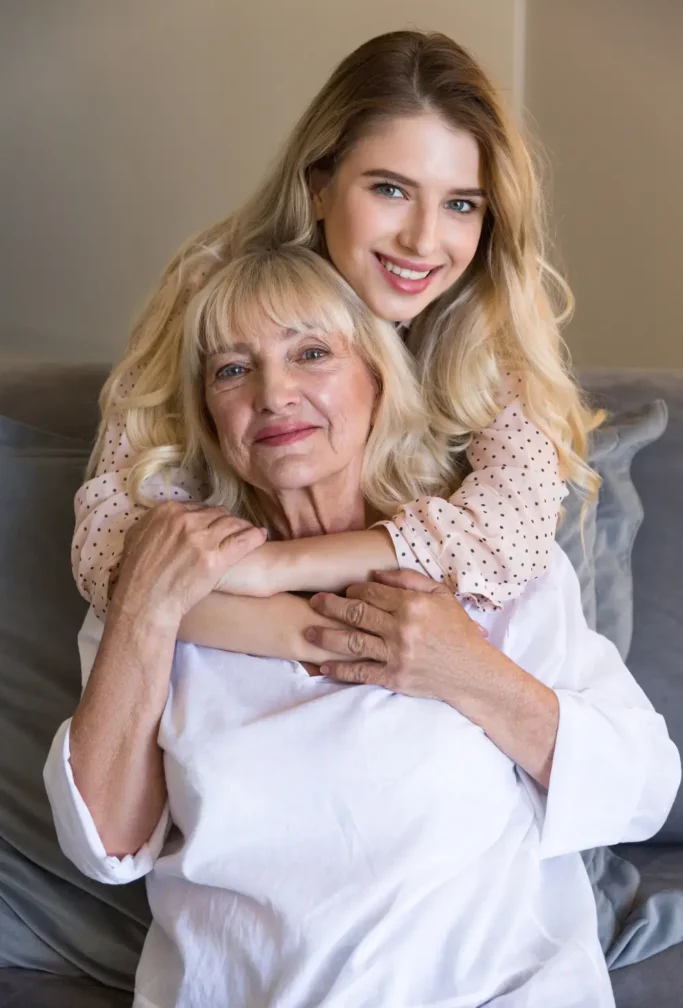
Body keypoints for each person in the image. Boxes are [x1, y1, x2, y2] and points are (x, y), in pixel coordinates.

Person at [45, 247, 680, 1008]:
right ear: (208, 411)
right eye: (231, 370)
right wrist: (146, 613)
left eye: (311, 353)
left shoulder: (484, 562)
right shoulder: (165, 582)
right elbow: (106, 849)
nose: (274, 393)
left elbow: (642, 793)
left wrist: (463, 670)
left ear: (379, 378)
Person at [71, 29, 600, 640]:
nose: (423, 242)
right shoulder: (214, 293)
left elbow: (506, 536)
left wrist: (275, 567)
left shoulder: (487, 326)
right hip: (262, 665)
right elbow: (112, 553)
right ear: (320, 185)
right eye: (391, 189)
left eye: (461, 205)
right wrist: (322, 642)